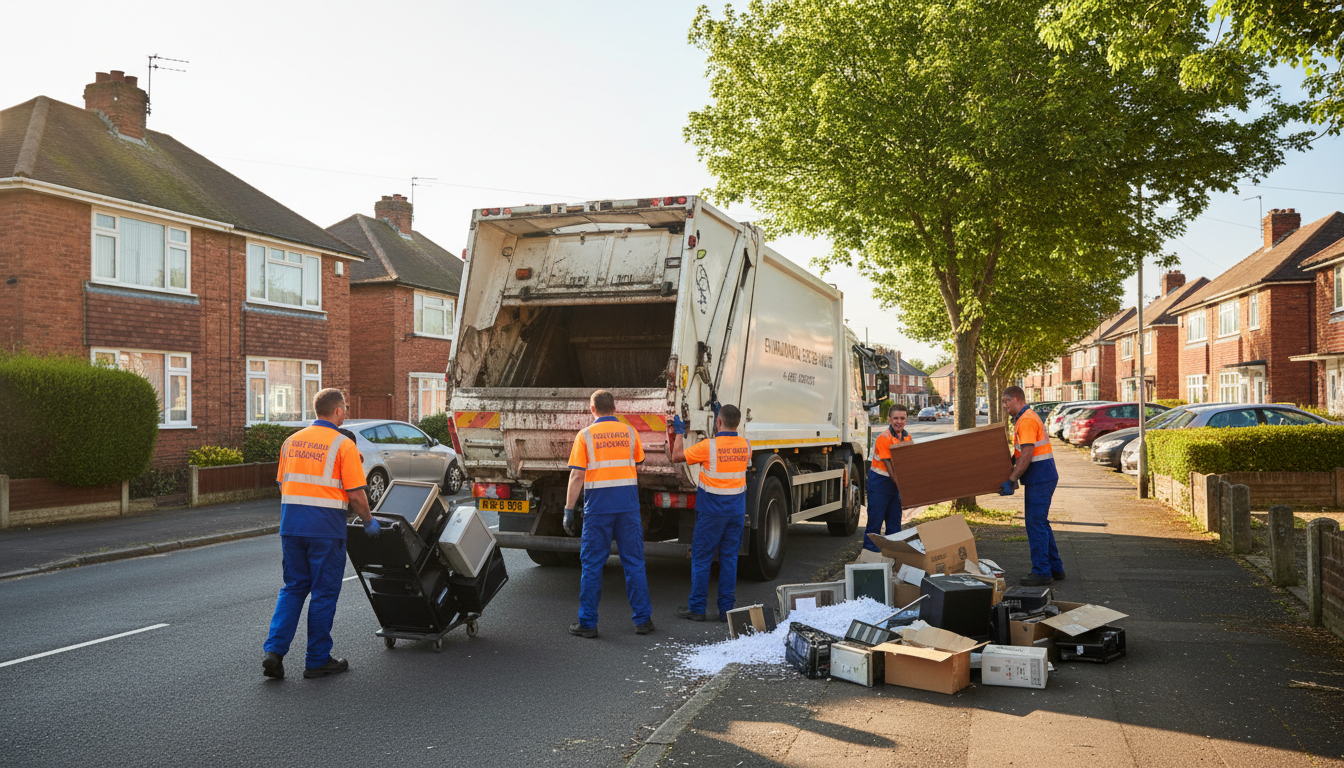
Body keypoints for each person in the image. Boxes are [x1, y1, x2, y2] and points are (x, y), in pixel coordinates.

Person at [262, 388, 379, 680]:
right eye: (346, 409)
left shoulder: (291, 442)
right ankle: (316, 660)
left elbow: (282, 484)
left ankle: (274, 652)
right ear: (338, 411)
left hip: (291, 527)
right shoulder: (343, 445)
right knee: (324, 593)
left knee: (293, 588)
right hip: (326, 530)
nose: (346, 413)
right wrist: (368, 521)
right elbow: (356, 495)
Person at [564, 390, 655, 638]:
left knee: (592, 565)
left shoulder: (585, 436)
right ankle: (643, 620)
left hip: (598, 510)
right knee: (634, 563)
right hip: (627, 507)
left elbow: (577, 475)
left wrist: (568, 510)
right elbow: (638, 461)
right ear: (615, 408)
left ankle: (588, 624)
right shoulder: (629, 432)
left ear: (592, 410)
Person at [668, 404, 750, 622]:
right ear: (738, 423)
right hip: (735, 512)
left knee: (702, 559)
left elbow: (676, 456)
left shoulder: (708, 447)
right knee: (729, 559)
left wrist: (678, 432)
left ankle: (697, 608)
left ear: (718, 422)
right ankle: (726, 611)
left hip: (712, 512)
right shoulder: (745, 446)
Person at [998, 385, 1064, 586]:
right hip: (1042, 476)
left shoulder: (1026, 420)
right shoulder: (1025, 418)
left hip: (1040, 477)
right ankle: (1055, 568)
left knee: (1035, 524)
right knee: (1041, 523)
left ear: (1017, 399)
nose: (1004, 405)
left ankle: (1042, 572)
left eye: (1006, 401)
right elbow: (1020, 452)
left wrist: (1012, 479)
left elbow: (1027, 453)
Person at [862, 403, 913, 551]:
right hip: (879, 484)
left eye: (902, 418)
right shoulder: (883, 438)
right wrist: (902, 488)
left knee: (894, 524)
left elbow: (908, 461)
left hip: (895, 485)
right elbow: (889, 466)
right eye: (896, 418)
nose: (899, 421)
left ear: (906, 419)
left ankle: (893, 556)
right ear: (889, 419)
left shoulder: (907, 437)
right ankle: (870, 557)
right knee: (875, 523)